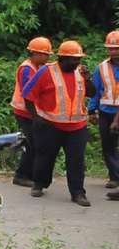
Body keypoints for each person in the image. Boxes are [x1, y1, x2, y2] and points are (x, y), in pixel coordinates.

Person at [21, 39, 91, 205]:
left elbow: (92, 93)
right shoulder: (46, 71)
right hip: (50, 125)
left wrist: (88, 79)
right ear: (62, 58)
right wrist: (36, 117)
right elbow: (27, 94)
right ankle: (39, 184)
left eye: (79, 59)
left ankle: (78, 193)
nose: (77, 62)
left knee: (76, 161)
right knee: (45, 157)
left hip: (77, 126)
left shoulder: (81, 72)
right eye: (74, 59)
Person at [10, 36, 51, 188]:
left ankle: (31, 175)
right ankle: (21, 175)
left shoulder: (37, 67)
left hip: (31, 112)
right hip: (24, 112)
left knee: (35, 143)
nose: (47, 58)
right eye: (45, 54)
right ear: (35, 53)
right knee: (32, 144)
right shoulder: (27, 69)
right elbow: (27, 92)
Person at [90, 31, 119, 198]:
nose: (113, 52)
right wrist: (91, 111)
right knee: (108, 146)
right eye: (111, 48)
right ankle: (114, 177)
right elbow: (95, 91)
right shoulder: (101, 68)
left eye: (116, 48)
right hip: (106, 111)